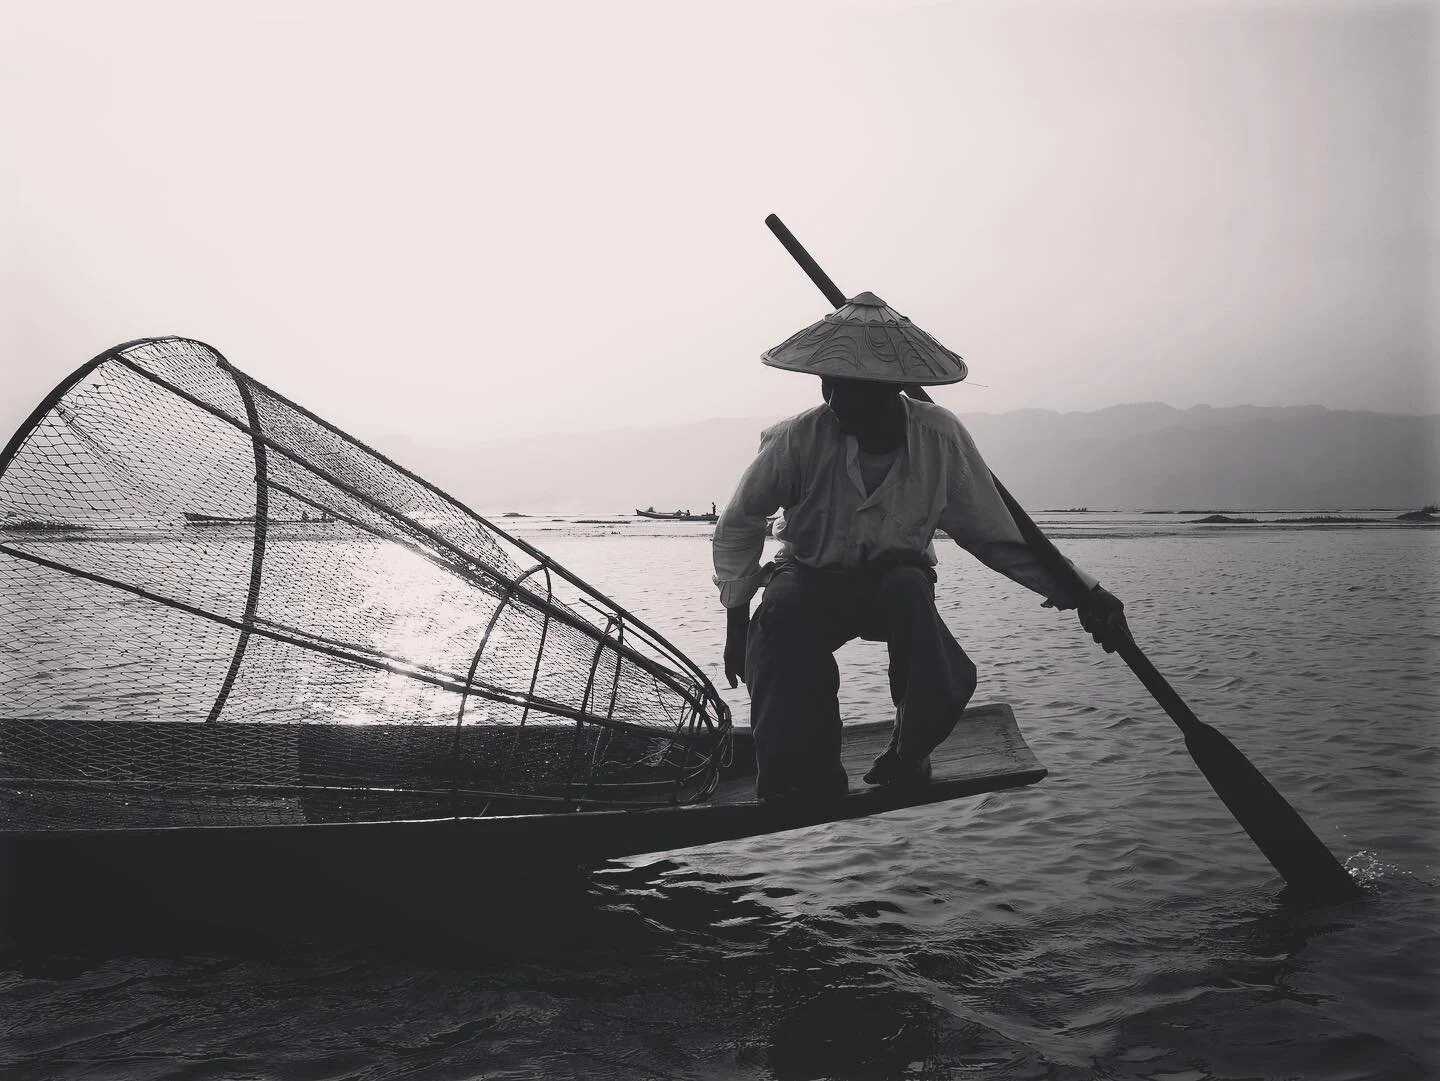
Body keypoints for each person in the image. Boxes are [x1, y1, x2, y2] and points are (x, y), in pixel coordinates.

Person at [713, 292, 1127, 801]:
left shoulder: (939, 438)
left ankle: (911, 751)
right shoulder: (796, 439)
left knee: (909, 587)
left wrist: (1085, 593)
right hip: (810, 579)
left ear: (891, 389)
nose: (835, 400)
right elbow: (739, 523)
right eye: (829, 384)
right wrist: (736, 624)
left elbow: (998, 536)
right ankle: (803, 773)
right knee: (782, 610)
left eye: (852, 387)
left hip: (893, 586)